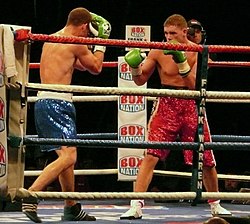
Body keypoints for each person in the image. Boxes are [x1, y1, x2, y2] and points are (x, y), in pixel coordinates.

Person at [120, 14, 231, 220]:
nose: (168, 37)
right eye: (166, 33)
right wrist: (134, 67)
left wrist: (181, 60)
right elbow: (140, 80)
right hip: (166, 103)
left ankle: (215, 204)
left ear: (183, 32)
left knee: (205, 156)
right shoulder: (158, 50)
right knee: (151, 154)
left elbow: (194, 85)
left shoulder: (197, 52)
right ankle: (135, 205)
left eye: (173, 33)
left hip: (191, 103)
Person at [21, 7, 111, 223]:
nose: (87, 37)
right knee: (69, 156)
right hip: (57, 102)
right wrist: (101, 42)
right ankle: (31, 195)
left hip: (45, 101)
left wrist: (89, 46)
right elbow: (96, 67)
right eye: (87, 33)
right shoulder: (75, 41)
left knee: (65, 157)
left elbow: (80, 65)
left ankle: (71, 207)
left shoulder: (52, 38)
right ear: (82, 26)